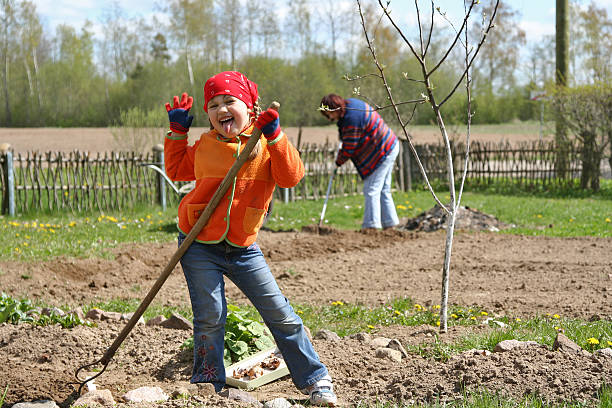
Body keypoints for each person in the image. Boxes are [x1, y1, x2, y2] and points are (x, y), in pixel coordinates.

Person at [164, 71, 337, 405]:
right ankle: (207, 384)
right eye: (213, 104)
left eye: (229, 101)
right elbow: (176, 170)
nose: (221, 109)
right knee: (210, 315)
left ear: (250, 106)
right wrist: (177, 132)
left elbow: (291, 177)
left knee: (278, 312)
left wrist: (275, 137)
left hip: (243, 248)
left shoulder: (265, 144)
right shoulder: (205, 145)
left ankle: (316, 379)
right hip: (198, 243)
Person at [320, 93, 400, 231]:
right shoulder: (350, 105)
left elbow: (350, 146)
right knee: (383, 189)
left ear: (335, 109)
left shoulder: (351, 119)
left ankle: (371, 227)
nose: (328, 118)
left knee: (371, 190)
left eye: (328, 114)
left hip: (382, 151)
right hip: (390, 145)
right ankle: (390, 224)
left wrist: (338, 162)